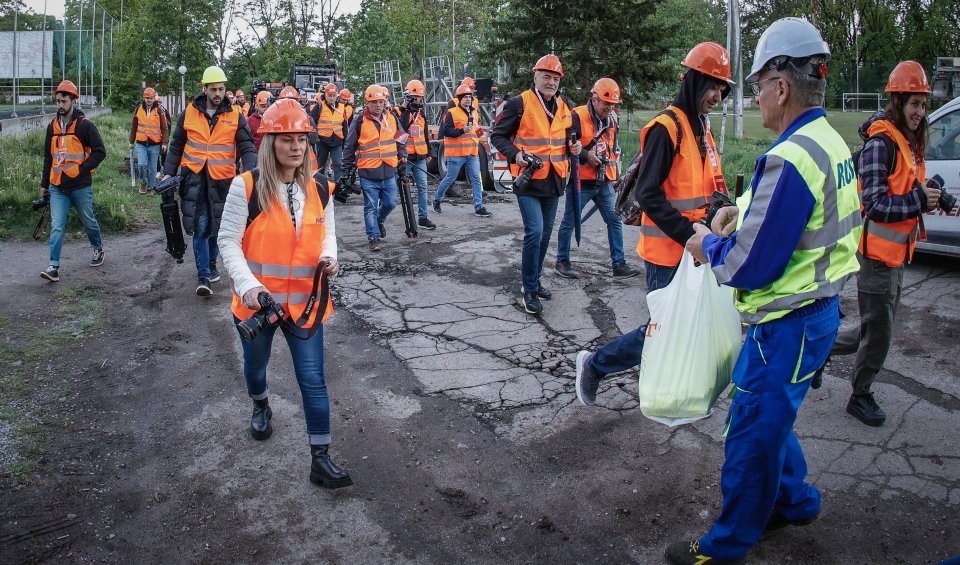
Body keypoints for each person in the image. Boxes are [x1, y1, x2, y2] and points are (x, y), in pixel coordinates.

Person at [667, 18, 862, 564]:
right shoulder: (826, 141)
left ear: (782, 85)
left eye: (756, 85)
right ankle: (795, 502)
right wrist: (742, 212)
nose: (753, 95)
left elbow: (751, 265)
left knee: (750, 433)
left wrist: (706, 241)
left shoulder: (791, 157)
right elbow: (796, 223)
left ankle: (724, 548)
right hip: (816, 314)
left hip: (785, 326)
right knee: (775, 419)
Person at [573, 43, 731, 385]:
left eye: (723, 89)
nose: (717, 96)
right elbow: (648, 194)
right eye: (712, 86)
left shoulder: (701, 127)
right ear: (692, 81)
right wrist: (690, 234)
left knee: (685, 324)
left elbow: (707, 183)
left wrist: (723, 209)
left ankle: (675, 384)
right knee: (665, 328)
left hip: (698, 248)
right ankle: (596, 365)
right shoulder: (666, 127)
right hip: (669, 251)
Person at [218, 98, 351, 489]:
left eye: (302, 139)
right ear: (269, 143)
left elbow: (326, 233)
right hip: (258, 304)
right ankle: (260, 405)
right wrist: (251, 288)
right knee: (256, 368)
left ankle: (321, 460)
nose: (296, 147)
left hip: (306, 304)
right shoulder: (246, 187)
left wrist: (329, 257)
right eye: (287, 139)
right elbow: (228, 242)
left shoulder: (321, 187)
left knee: (313, 379)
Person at [812, 61, 941, 427]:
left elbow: (905, 188)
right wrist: (920, 201)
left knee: (874, 327)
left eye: (923, 104)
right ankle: (860, 394)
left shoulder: (907, 142)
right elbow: (875, 204)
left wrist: (930, 194)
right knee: (879, 333)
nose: (919, 112)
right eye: (913, 104)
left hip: (896, 254)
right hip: (875, 257)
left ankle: (819, 352)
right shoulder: (882, 143)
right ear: (897, 102)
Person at [491, 54, 581, 315]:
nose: (551, 82)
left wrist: (575, 146)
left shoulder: (565, 107)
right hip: (528, 179)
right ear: (536, 77)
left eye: (555, 78)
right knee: (535, 232)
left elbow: (571, 140)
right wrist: (515, 154)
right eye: (546, 77)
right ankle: (528, 289)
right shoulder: (519, 104)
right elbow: (498, 136)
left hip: (554, 181)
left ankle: (535, 280)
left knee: (544, 236)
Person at [161, 65, 257, 297]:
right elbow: (176, 145)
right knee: (200, 227)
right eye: (213, 89)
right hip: (194, 178)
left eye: (221, 89)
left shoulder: (235, 115)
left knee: (218, 227)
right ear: (204, 89)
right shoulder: (189, 113)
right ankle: (203, 274)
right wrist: (167, 172)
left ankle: (212, 265)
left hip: (223, 181)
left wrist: (253, 173)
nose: (217, 94)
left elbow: (247, 146)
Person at [554, 78, 639, 279]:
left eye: (613, 104)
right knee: (570, 222)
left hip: (604, 182)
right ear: (594, 99)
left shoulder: (611, 120)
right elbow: (567, 143)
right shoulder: (577, 115)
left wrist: (615, 177)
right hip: (580, 181)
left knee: (614, 220)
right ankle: (562, 261)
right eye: (606, 103)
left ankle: (619, 264)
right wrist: (585, 156)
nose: (610, 108)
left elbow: (610, 149)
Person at [39, 80, 107, 282]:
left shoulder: (84, 125)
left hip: (80, 185)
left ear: (73, 101)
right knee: (57, 226)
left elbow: (100, 152)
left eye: (64, 101)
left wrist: (81, 168)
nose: (60, 105)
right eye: (58, 101)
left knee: (88, 220)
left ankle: (97, 248)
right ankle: (53, 266)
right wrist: (44, 184)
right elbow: (48, 157)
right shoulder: (52, 126)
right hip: (57, 186)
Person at [342, 85, 407, 252]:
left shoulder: (392, 117)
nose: (378, 105)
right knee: (370, 206)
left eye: (381, 101)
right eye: (374, 102)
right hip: (368, 173)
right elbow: (349, 147)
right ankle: (373, 237)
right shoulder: (359, 121)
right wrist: (346, 171)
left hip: (389, 170)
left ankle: (379, 220)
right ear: (368, 103)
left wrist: (403, 155)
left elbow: (401, 138)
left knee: (390, 203)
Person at [433, 84, 491, 218]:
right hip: (457, 154)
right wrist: (461, 131)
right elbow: (447, 131)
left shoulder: (474, 113)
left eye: (470, 97)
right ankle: (437, 199)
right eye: (465, 97)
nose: (468, 99)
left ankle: (478, 207)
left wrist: (480, 134)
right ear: (459, 99)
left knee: (476, 179)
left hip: (471, 152)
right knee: (450, 178)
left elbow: (475, 129)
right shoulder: (452, 113)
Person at [398, 79, 437, 230]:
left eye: (420, 98)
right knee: (396, 187)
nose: (418, 101)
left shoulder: (421, 114)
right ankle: (383, 210)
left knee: (423, 187)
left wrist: (428, 152)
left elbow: (425, 134)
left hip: (420, 157)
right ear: (407, 97)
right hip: (405, 157)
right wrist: (406, 110)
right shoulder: (399, 112)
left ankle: (423, 217)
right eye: (415, 98)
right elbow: (399, 133)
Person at [129, 87, 169, 194]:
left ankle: (151, 187)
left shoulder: (159, 111)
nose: (149, 100)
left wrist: (165, 143)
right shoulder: (138, 109)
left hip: (154, 144)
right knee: (142, 165)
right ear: (144, 98)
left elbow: (165, 129)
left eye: (151, 98)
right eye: (147, 98)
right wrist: (131, 141)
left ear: (154, 98)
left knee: (152, 167)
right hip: (141, 143)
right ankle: (143, 182)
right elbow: (134, 126)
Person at [309, 82, 348, 181]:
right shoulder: (319, 107)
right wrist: (315, 138)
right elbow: (311, 122)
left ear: (337, 96)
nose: (331, 98)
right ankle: (319, 185)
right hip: (322, 141)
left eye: (333, 96)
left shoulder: (342, 108)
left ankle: (339, 187)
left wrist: (345, 140)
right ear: (325, 95)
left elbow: (344, 126)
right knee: (320, 165)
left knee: (338, 164)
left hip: (337, 141)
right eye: (329, 95)